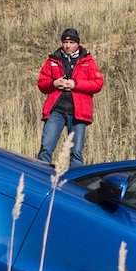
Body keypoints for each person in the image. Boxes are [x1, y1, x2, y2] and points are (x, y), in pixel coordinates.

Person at [37, 28, 104, 167]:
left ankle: (76, 186)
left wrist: (75, 84)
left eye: (71, 42)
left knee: (76, 153)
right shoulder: (52, 60)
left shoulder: (87, 60)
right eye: (65, 42)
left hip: (78, 113)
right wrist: (53, 83)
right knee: (45, 149)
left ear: (77, 44)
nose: (67, 45)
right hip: (56, 111)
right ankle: (40, 180)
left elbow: (98, 84)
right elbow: (42, 84)